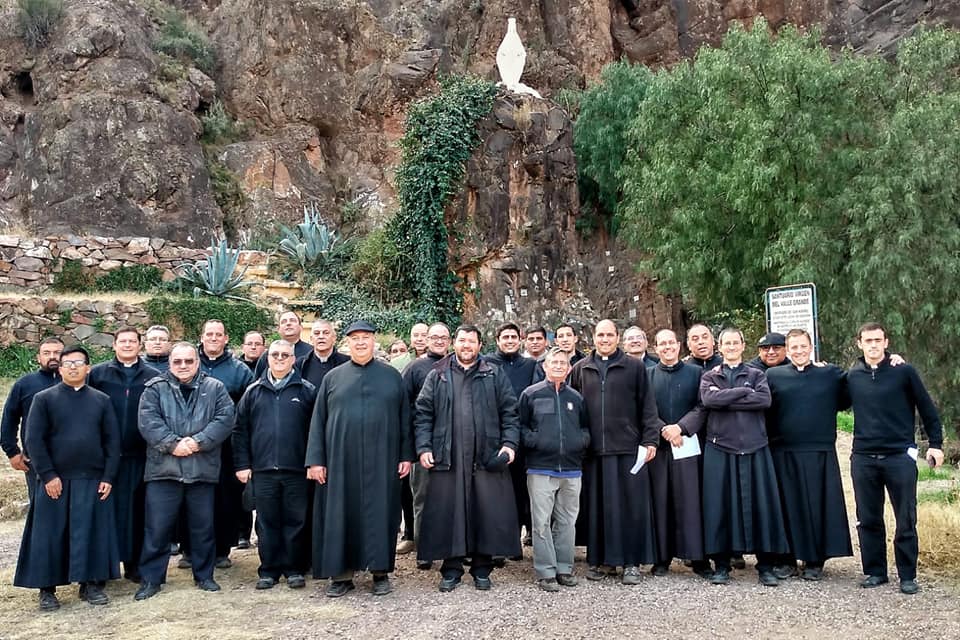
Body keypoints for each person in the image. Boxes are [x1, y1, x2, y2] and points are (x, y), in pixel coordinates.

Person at [306, 321, 413, 597]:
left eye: (366, 337)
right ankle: (341, 575)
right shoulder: (333, 378)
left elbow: (405, 419)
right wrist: (316, 461)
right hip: (340, 461)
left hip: (384, 458)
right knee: (340, 514)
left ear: (374, 341)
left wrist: (405, 455)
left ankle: (380, 573)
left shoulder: (392, 377)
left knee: (382, 513)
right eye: (355, 338)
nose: (361, 342)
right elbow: (318, 421)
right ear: (347, 343)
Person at [14, 346, 121, 611]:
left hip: (92, 479)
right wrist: (48, 475)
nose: (73, 367)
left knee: (91, 533)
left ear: (88, 368)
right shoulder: (44, 398)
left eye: (79, 362)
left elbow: (112, 441)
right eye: (67, 363)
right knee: (49, 535)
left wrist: (108, 476)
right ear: (60, 369)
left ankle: (90, 584)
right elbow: (34, 441)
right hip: (55, 481)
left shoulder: (101, 400)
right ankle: (47, 590)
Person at [415, 324, 521, 592]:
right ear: (454, 343)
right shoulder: (437, 374)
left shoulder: (493, 373)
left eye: (471, 342)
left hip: (486, 456)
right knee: (449, 512)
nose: (466, 346)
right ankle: (451, 569)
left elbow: (510, 411)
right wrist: (424, 447)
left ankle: (482, 568)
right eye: (461, 341)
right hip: (447, 456)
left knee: (485, 512)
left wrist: (509, 444)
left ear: (479, 344)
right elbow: (424, 413)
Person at [847, 322, 944, 595]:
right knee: (868, 518)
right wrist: (817, 368)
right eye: (868, 340)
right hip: (864, 457)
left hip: (899, 456)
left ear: (886, 342)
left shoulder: (904, 372)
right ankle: (875, 571)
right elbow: (832, 396)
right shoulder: (853, 377)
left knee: (905, 518)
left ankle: (907, 575)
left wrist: (935, 444)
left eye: (878, 340)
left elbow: (927, 409)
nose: (873, 345)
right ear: (860, 344)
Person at [135, 342, 235, 600]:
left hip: (201, 470)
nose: (183, 366)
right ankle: (151, 579)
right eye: (177, 361)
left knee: (202, 528)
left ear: (197, 362)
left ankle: (204, 576)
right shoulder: (154, 389)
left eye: (188, 361)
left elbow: (225, 419)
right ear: (170, 363)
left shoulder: (215, 388)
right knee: (157, 529)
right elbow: (148, 421)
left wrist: (197, 442)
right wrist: (172, 444)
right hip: (163, 471)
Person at [568, 319, 659, 585]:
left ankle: (631, 563)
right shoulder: (581, 369)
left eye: (609, 335)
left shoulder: (635, 367)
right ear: (593, 338)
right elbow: (573, 409)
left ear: (617, 337)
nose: (605, 339)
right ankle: (602, 561)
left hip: (627, 450)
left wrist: (650, 440)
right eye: (600, 335)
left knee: (630, 509)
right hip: (593, 452)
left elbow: (648, 408)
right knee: (599, 510)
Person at [699, 327, 788, 586]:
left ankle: (766, 566)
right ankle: (722, 565)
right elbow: (709, 401)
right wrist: (741, 393)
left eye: (735, 342)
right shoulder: (709, 375)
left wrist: (726, 398)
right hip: (720, 447)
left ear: (742, 345)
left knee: (762, 506)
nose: (731, 347)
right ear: (720, 346)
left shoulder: (757, 374)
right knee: (720, 507)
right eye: (726, 343)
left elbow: (763, 401)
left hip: (755, 446)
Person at [765, 329, 853, 581]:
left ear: (811, 346)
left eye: (803, 346)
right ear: (787, 350)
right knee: (787, 506)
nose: (799, 351)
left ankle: (815, 560)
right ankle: (788, 560)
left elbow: (856, 386)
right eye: (793, 347)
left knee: (818, 506)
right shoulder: (773, 375)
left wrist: (893, 360)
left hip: (819, 451)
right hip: (783, 450)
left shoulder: (830, 374)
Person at [234, 340, 317, 590]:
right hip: (262, 470)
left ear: (294, 359)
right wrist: (242, 464)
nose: (280, 358)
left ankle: (294, 569)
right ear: (267, 358)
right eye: (275, 354)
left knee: (296, 521)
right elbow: (240, 431)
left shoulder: (307, 391)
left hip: (297, 470)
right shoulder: (253, 391)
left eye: (285, 355)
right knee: (266, 523)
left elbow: (316, 431)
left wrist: (313, 462)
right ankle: (268, 570)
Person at [87, 327, 159, 583]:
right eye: (122, 341)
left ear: (140, 345)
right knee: (105, 511)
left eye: (132, 341)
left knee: (137, 512)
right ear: (114, 345)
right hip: (105, 457)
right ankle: (103, 568)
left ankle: (134, 564)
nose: (127, 345)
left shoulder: (153, 376)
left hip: (140, 454)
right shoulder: (98, 374)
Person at [519, 348, 590, 592]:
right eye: (554, 362)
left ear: (570, 368)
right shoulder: (531, 395)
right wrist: (535, 441)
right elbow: (521, 427)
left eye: (563, 362)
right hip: (540, 468)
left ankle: (564, 568)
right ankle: (546, 571)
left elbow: (585, 428)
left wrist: (581, 443)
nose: (559, 365)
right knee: (541, 523)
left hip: (571, 470)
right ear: (544, 367)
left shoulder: (577, 398)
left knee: (567, 522)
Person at [647, 329, 711, 578]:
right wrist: (664, 429)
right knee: (661, 502)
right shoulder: (648, 374)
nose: (666, 348)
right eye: (661, 344)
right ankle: (662, 557)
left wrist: (680, 428)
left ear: (679, 345)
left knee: (692, 502)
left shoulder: (696, 373)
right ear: (656, 347)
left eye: (670, 343)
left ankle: (698, 558)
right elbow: (645, 409)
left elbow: (703, 405)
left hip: (688, 446)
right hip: (661, 448)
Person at [194, 319, 254, 570]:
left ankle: (222, 550)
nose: (214, 338)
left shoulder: (239, 371)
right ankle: (191, 549)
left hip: (227, 446)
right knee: (193, 497)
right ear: (202, 337)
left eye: (219, 334)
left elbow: (248, 408)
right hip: (193, 444)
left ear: (226, 339)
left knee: (225, 499)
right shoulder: (188, 364)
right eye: (210, 334)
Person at [401, 322, 451, 568]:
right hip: (424, 446)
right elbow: (403, 407)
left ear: (449, 341)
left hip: (452, 445)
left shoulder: (456, 366)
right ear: (426, 340)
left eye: (444, 337)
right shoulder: (414, 368)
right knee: (422, 499)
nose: (439, 341)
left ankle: (453, 548)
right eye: (434, 337)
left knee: (452, 499)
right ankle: (425, 551)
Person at [485, 321, 537, 549]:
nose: (509, 341)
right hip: (494, 436)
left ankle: (524, 534)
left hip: (522, 436)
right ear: (497, 340)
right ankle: (501, 541)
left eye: (513, 337)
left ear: (520, 339)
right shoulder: (487, 363)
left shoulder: (530, 365)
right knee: (497, 491)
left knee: (521, 488)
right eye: (505, 337)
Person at [1, 336, 63, 503]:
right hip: (36, 458)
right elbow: (9, 418)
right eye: (46, 353)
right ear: (38, 358)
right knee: (39, 507)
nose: (52, 356)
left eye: (57, 352)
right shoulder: (25, 384)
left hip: (71, 457)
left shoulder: (78, 382)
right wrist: (12, 452)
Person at [254, 311, 313, 377]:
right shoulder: (269, 355)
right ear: (278, 329)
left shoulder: (311, 353)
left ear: (301, 327)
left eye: (292, 320)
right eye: (284, 322)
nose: (288, 324)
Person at [297, 319, 350, 388]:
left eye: (326, 333)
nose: (321, 337)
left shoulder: (347, 362)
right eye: (316, 333)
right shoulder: (301, 364)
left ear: (334, 338)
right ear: (311, 339)